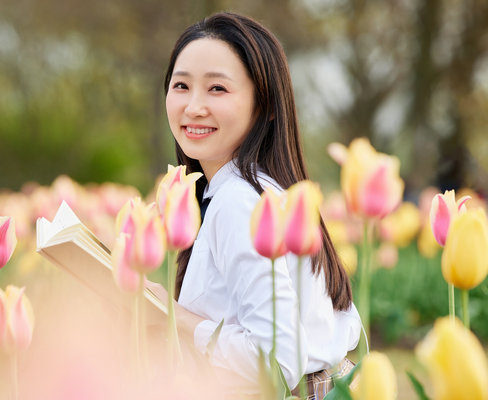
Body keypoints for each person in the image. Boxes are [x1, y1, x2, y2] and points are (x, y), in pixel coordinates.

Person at [148, 11, 361, 398]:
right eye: (181, 86)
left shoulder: (238, 202)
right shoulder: (264, 190)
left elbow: (277, 364)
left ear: (265, 105)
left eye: (217, 89)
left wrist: (171, 314)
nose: (193, 107)